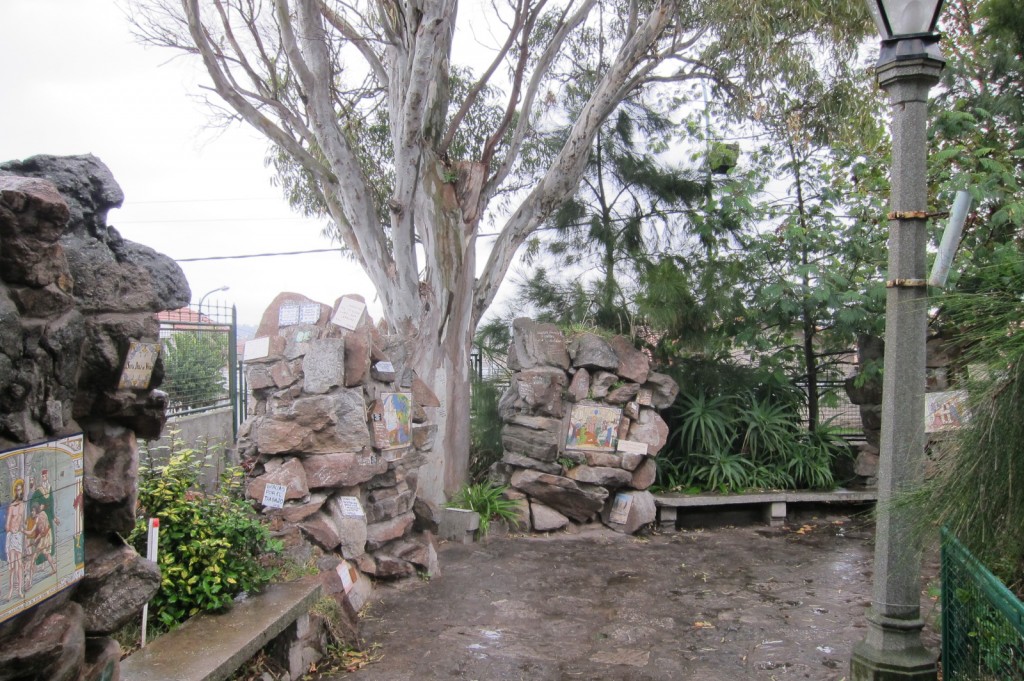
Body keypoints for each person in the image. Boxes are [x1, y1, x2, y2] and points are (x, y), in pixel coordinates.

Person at [4, 479, 27, 601]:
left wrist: (22, 528)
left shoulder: (23, 505)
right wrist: (11, 529)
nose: (19, 492)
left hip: (19, 536)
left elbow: (22, 521)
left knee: (19, 565)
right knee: (12, 566)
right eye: (17, 490)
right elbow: (7, 525)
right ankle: (11, 591)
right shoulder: (12, 507)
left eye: (20, 490)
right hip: (12, 537)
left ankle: (19, 590)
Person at [26, 503, 56, 584]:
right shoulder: (43, 513)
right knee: (46, 554)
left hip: (44, 538)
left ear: (36, 511)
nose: (32, 512)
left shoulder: (38, 519)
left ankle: (29, 581)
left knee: (33, 558)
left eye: (33, 511)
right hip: (48, 536)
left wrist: (35, 541)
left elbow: (41, 532)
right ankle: (54, 568)